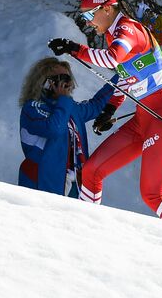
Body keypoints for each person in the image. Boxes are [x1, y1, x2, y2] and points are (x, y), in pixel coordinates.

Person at [48, 0, 162, 223]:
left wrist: (74, 48)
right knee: (91, 172)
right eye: (84, 16)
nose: (88, 22)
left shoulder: (128, 29)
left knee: (152, 194)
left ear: (108, 8)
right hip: (142, 120)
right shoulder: (116, 33)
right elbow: (126, 76)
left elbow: (112, 59)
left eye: (89, 15)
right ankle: (86, 227)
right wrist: (110, 109)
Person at [18, 56, 118, 196]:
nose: (65, 83)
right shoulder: (32, 108)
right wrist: (64, 99)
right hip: (42, 181)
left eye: (68, 79)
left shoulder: (69, 107)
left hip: (73, 182)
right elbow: (55, 128)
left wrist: (122, 76)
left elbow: (96, 105)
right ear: (45, 82)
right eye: (59, 78)